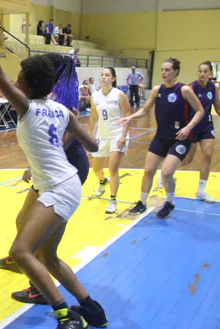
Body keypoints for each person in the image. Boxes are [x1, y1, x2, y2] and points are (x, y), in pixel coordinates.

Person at [0, 1, 103, 329]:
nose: (14, 81)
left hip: (59, 188)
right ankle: (91, 307)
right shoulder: (62, 111)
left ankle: (66, 316)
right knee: (48, 256)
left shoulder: (27, 108)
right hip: (66, 183)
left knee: (21, 251)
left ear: (28, 85)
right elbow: (92, 146)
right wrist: (84, 122)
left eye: (19, 78)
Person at [124, 58, 204, 218]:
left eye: (167, 70)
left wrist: (188, 128)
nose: (164, 73)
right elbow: (145, 110)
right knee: (148, 171)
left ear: (175, 72)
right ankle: (141, 202)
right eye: (162, 69)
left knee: (166, 173)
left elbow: (200, 111)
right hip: (161, 137)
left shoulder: (184, 90)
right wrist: (130, 117)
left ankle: (170, 202)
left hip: (180, 139)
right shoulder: (156, 90)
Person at [89, 68, 132, 214]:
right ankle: (102, 182)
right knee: (96, 168)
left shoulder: (119, 95)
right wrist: (90, 136)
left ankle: (112, 200)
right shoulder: (94, 96)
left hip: (117, 133)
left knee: (112, 168)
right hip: (102, 134)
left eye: (107, 75)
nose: (103, 77)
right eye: (102, 75)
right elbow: (94, 117)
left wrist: (123, 136)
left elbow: (128, 115)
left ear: (113, 78)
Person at [180, 61, 219, 202]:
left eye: (205, 71)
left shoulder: (214, 88)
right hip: (192, 126)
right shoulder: (191, 88)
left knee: (207, 155)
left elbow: (218, 107)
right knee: (187, 159)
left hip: (207, 126)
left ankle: (201, 191)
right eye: (200, 71)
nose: (202, 74)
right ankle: (165, 172)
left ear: (210, 74)